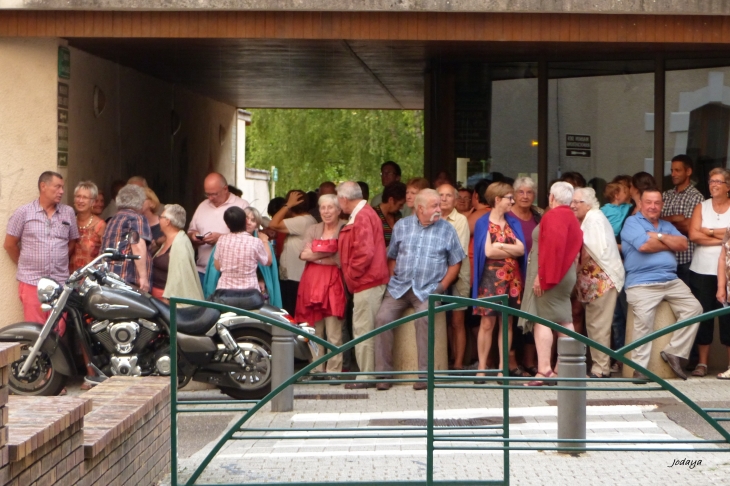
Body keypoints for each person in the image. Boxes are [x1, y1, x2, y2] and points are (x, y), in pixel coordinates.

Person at [374, 189, 465, 390]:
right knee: (381, 319)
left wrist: (441, 288)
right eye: (435, 206)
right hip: (399, 288)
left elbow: (455, 262)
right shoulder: (402, 226)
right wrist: (392, 279)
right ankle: (383, 375)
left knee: (425, 319)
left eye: (439, 205)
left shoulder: (447, 229)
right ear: (420, 208)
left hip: (428, 290)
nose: (439, 210)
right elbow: (392, 256)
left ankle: (424, 376)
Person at [621, 188, 702, 380]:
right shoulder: (632, 222)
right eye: (648, 202)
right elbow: (644, 246)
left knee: (695, 309)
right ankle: (639, 368)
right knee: (644, 322)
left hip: (671, 280)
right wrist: (668, 242)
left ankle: (674, 351)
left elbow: (683, 244)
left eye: (657, 203)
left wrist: (658, 236)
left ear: (662, 205)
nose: (653, 206)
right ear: (640, 204)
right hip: (642, 282)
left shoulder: (665, 225)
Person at [518, 182, 583, 387]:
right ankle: (563, 368)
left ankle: (544, 370)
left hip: (552, 275)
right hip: (565, 274)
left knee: (542, 319)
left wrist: (542, 276)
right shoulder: (570, 217)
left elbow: (553, 249)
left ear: (552, 197)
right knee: (564, 319)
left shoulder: (553, 216)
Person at [4, 171, 79, 324]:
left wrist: (60, 258)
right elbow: (9, 244)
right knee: (35, 330)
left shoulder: (68, 212)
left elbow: (72, 242)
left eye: (62, 187)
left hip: (59, 282)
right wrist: (26, 264)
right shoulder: (23, 212)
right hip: (32, 282)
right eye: (57, 187)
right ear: (43, 186)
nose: (62, 192)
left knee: (58, 330)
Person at [471, 182, 527, 382]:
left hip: (513, 280)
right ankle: (482, 368)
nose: (513, 201)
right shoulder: (482, 222)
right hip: (490, 279)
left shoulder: (513, 222)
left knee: (508, 323)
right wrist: (508, 247)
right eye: (509, 198)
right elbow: (487, 251)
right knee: (487, 323)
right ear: (497, 199)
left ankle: (503, 369)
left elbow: (521, 250)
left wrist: (500, 245)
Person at [337, 181, 390, 389]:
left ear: (344, 199)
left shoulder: (362, 216)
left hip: (366, 282)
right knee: (364, 329)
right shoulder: (366, 213)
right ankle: (369, 375)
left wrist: (351, 274)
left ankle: (366, 377)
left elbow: (364, 252)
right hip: (368, 281)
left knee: (363, 330)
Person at [571, 187, 625, 378]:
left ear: (588, 204)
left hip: (600, 280)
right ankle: (601, 365)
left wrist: (573, 273)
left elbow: (587, 252)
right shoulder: (591, 218)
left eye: (578, 202)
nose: (573, 205)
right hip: (594, 281)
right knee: (596, 324)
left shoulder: (594, 218)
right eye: (573, 201)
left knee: (598, 325)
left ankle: (600, 368)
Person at [296, 194, 347, 380]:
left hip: (333, 284)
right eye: (323, 208)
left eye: (330, 208)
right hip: (312, 283)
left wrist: (316, 253)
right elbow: (303, 254)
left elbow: (341, 258)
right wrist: (328, 253)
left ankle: (334, 371)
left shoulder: (344, 228)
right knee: (314, 330)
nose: (326, 212)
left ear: (338, 210)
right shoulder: (313, 228)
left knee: (334, 332)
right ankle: (316, 368)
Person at [687, 168, 730, 377]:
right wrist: (724, 238)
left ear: (728, 187)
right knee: (704, 315)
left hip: (728, 272)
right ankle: (702, 363)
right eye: (711, 180)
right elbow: (693, 235)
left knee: (728, 317)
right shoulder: (701, 207)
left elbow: (702, 232)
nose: (713, 184)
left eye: (719, 181)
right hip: (702, 270)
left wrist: (709, 231)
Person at [508, 176, 543, 376]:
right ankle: (512, 362)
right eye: (521, 192)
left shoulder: (538, 216)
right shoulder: (506, 217)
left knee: (532, 317)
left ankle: (530, 361)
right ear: (513, 195)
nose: (525, 196)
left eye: (529, 192)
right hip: (512, 275)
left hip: (534, 276)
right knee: (512, 319)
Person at [188, 172, 249, 285]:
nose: (210, 198)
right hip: (202, 271)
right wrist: (193, 236)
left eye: (214, 194)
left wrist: (221, 238)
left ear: (225, 189)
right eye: (207, 194)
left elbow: (249, 238)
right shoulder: (202, 206)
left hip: (228, 275)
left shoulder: (242, 206)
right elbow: (190, 231)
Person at [438, 184, 471, 372]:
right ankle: (446, 359)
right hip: (436, 277)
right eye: (440, 195)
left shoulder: (460, 220)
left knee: (457, 321)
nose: (444, 198)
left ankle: (458, 364)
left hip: (457, 276)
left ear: (455, 199)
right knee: (442, 320)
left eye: (448, 195)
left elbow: (457, 251)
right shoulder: (431, 217)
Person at [267, 190, 316, 316]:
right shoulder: (305, 220)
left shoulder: (302, 221)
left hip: (294, 279)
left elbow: (273, 223)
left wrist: (287, 205)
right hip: (293, 277)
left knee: (291, 314)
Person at [661, 154, 704, 285]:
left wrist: (663, 221)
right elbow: (653, 221)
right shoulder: (665, 195)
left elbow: (688, 227)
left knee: (686, 302)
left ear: (688, 171)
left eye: (677, 170)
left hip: (686, 260)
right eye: (672, 170)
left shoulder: (696, 197)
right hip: (665, 259)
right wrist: (675, 218)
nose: (673, 174)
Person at [101, 184, 153, 291]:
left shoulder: (114, 219)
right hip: (127, 280)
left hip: (109, 278)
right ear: (140, 201)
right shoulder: (137, 219)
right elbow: (137, 244)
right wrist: (143, 277)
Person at [151, 204, 204, 302]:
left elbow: (180, 276)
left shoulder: (180, 243)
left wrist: (167, 300)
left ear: (168, 221)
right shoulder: (168, 240)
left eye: (161, 217)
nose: (159, 220)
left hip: (166, 299)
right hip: (157, 296)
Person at [214, 207, 272, 291]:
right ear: (244, 221)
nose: (249, 223)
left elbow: (218, 266)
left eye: (253, 220)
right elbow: (268, 261)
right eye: (247, 219)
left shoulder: (221, 240)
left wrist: (262, 279)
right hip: (249, 292)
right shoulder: (258, 242)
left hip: (225, 291)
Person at [70, 181, 107, 273]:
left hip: (90, 279)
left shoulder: (100, 225)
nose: (80, 200)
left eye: (85, 197)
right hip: (69, 278)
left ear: (93, 202)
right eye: (78, 196)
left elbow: (105, 256)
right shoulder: (69, 221)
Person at [374, 181, 406, 247]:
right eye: (400, 205)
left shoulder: (398, 215)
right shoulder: (373, 215)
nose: (402, 208)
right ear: (391, 200)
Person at [143, 187, 164, 254]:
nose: (137, 202)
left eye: (142, 199)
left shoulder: (164, 222)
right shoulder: (134, 224)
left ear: (152, 203)